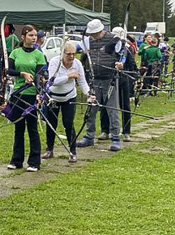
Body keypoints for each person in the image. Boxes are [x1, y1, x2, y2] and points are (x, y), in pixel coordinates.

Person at [76, 19, 123, 151]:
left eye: (94, 33)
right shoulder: (87, 41)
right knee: (91, 108)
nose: (93, 36)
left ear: (100, 30)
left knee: (112, 109)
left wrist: (121, 64)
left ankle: (115, 138)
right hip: (94, 78)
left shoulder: (114, 40)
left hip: (110, 78)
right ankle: (89, 136)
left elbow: (123, 55)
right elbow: (78, 51)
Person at [6, 25, 46, 170]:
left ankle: (34, 162)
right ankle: (16, 160)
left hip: (31, 95)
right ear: (23, 37)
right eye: (30, 35)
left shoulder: (39, 54)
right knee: (19, 127)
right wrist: (21, 74)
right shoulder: (15, 53)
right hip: (18, 93)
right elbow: (9, 70)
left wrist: (39, 94)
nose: (34, 38)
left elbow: (41, 75)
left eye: (35, 35)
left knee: (32, 128)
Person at [41, 41, 89, 161]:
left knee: (68, 124)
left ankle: (72, 151)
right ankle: (49, 149)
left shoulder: (77, 64)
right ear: (63, 53)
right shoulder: (54, 62)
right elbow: (52, 81)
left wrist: (89, 94)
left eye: (74, 53)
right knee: (51, 124)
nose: (72, 56)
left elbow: (82, 81)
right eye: (68, 54)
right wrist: (69, 76)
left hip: (69, 97)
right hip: (53, 97)